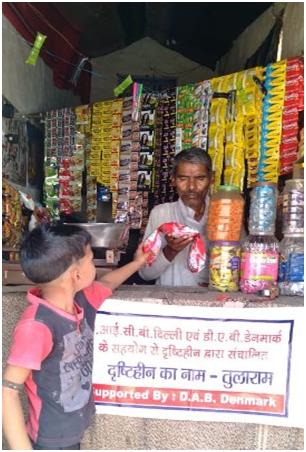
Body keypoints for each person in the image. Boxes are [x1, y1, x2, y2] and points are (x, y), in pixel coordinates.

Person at [2, 224, 150, 450]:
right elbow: (7, 393)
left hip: (72, 431)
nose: (94, 265)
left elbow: (109, 282)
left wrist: (138, 263)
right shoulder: (37, 326)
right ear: (76, 274)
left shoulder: (83, 299)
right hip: (49, 442)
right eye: (91, 260)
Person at [139, 147, 212, 286]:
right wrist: (170, 251)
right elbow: (144, 273)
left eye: (200, 178)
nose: (191, 187)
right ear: (173, 180)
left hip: (213, 304)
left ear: (211, 179)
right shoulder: (161, 214)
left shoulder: (226, 215)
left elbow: (241, 265)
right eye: (183, 178)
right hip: (168, 303)